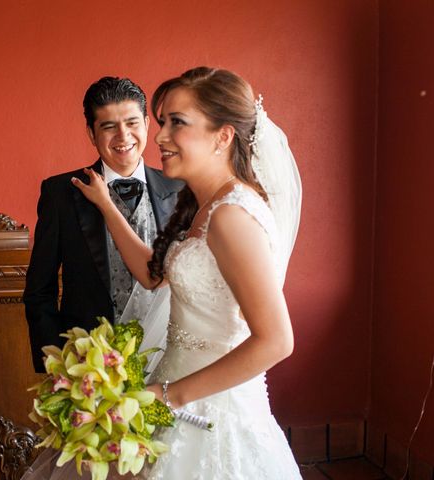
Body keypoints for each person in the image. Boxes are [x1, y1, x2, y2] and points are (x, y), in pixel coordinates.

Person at [70, 66, 303, 479]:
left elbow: (276, 341)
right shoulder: (205, 204)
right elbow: (152, 273)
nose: (158, 137)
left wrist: (167, 394)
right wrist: (107, 206)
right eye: (162, 122)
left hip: (213, 412)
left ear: (223, 136)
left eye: (177, 122)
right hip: (175, 390)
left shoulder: (231, 216)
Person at [23, 76, 183, 373]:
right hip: (88, 366)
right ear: (91, 133)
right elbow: (39, 290)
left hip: (167, 359)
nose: (123, 136)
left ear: (148, 124)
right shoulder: (61, 193)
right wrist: (55, 364)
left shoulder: (181, 189)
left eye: (132, 123)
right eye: (108, 126)